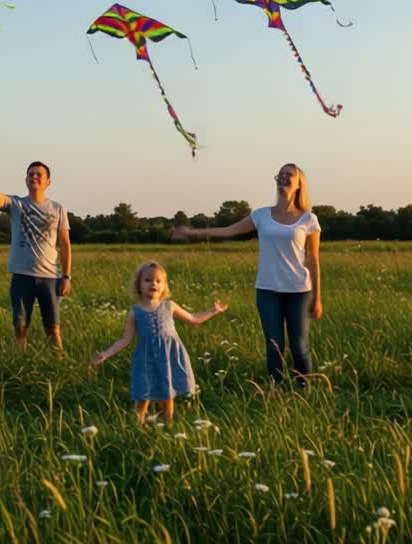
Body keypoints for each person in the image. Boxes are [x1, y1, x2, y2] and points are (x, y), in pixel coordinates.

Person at [174, 163, 322, 386]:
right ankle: (275, 390)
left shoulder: (308, 219)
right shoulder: (261, 216)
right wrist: (193, 233)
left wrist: (317, 298)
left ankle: (304, 389)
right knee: (273, 344)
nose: (282, 177)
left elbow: (313, 260)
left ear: (300, 183)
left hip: (299, 291)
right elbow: (228, 231)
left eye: (288, 174)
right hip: (267, 290)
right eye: (280, 174)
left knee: (299, 345)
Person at [91, 260, 227, 424]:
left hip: (169, 356)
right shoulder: (135, 312)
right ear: (139, 285)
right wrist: (106, 353)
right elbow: (125, 339)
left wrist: (213, 310)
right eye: (148, 280)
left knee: (167, 393)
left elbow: (193, 319)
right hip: (146, 358)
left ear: (164, 286)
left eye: (158, 281)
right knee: (143, 393)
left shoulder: (169, 306)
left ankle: (168, 424)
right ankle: (137, 425)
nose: (153, 284)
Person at [0, 143, 72, 351]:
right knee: (20, 328)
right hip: (21, 277)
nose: (34, 177)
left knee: (53, 328)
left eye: (39, 174)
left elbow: (65, 244)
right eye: (30, 174)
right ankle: (20, 362)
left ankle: (60, 363)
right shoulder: (15, 204)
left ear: (48, 181)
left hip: (50, 278)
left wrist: (66, 276)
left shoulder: (57, 208)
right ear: (26, 180)